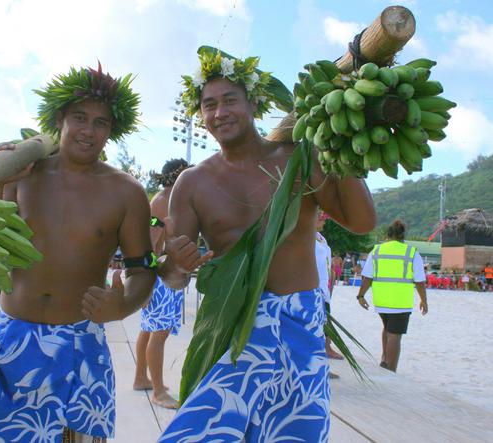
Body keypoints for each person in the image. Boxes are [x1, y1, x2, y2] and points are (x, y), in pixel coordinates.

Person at [156, 51, 376, 442]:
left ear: (254, 104)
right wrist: (175, 263)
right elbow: (174, 276)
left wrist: (339, 146)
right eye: (209, 105)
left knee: (295, 434)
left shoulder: (301, 158)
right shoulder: (192, 183)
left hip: (299, 321)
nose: (220, 112)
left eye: (230, 100)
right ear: (200, 115)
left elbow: (361, 222)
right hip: (231, 324)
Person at [0, 64, 156, 443]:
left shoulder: (126, 191)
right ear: (60, 119)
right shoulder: (23, 174)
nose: (89, 131)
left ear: (112, 131)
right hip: (12, 336)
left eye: (101, 123)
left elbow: (144, 269)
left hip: (79, 344)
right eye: (80, 118)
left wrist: (122, 305)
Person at [133, 158, 190, 409]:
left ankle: (141, 378)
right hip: (160, 276)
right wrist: (150, 278)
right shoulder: (162, 202)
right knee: (160, 331)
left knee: (149, 329)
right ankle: (158, 391)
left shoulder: (164, 199)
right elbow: (151, 242)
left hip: (160, 274)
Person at [356, 220, 428, 373]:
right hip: (400, 301)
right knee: (395, 335)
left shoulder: (376, 251)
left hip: (381, 299)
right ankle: (390, 369)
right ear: (403, 235)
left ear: (387, 234)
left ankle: (384, 358)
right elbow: (420, 281)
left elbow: (367, 277)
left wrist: (361, 295)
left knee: (387, 328)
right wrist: (423, 300)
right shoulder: (411, 252)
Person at [316, 211, 343, 363]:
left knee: (325, 321)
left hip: (323, 288)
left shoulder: (322, 240)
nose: (324, 221)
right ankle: (323, 354)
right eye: (321, 218)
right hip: (314, 288)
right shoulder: (308, 239)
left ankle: (327, 348)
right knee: (318, 326)